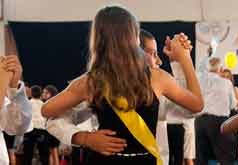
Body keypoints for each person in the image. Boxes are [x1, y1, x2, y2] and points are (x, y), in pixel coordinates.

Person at [41, 5, 204, 165]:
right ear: (134, 38)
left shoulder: (91, 81)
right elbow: (197, 104)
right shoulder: (157, 78)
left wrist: (85, 138)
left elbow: (47, 109)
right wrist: (185, 58)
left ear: (98, 40)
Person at [195, 56, 238, 165]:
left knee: (200, 157)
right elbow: (233, 105)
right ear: (220, 69)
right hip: (219, 121)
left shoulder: (199, 80)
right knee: (225, 156)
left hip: (200, 121)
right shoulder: (226, 83)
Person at [22, 85, 52, 165]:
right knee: (44, 155)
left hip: (29, 130)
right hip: (41, 130)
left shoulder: (27, 104)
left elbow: (23, 117)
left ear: (31, 93)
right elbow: (47, 117)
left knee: (27, 155)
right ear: (40, 94)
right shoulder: (44, 105)